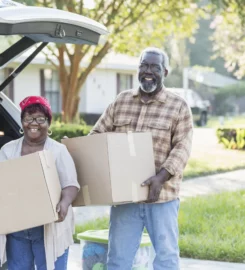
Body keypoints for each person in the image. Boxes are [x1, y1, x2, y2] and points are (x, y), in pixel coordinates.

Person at [90, 47, 193, 270]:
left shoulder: (178, 106)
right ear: (138, 69)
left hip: (162, 197)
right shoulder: (121, 101)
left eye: (154, 67)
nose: (148, 71)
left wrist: (160, 177)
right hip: (125, 197)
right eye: (144, 65)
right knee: (118, 260)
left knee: (166, 260)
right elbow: (97, 134)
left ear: (164, 72)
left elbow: (182, 148)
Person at [0, 96, 80, 270]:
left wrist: (64, 203)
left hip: (49, 228)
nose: (34, 123)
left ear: (48, 123)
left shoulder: (58, 151)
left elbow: (71, 184)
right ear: (22, 122)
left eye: (40, 119)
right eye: (28, 118)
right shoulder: (7, 150)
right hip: (18, 229)